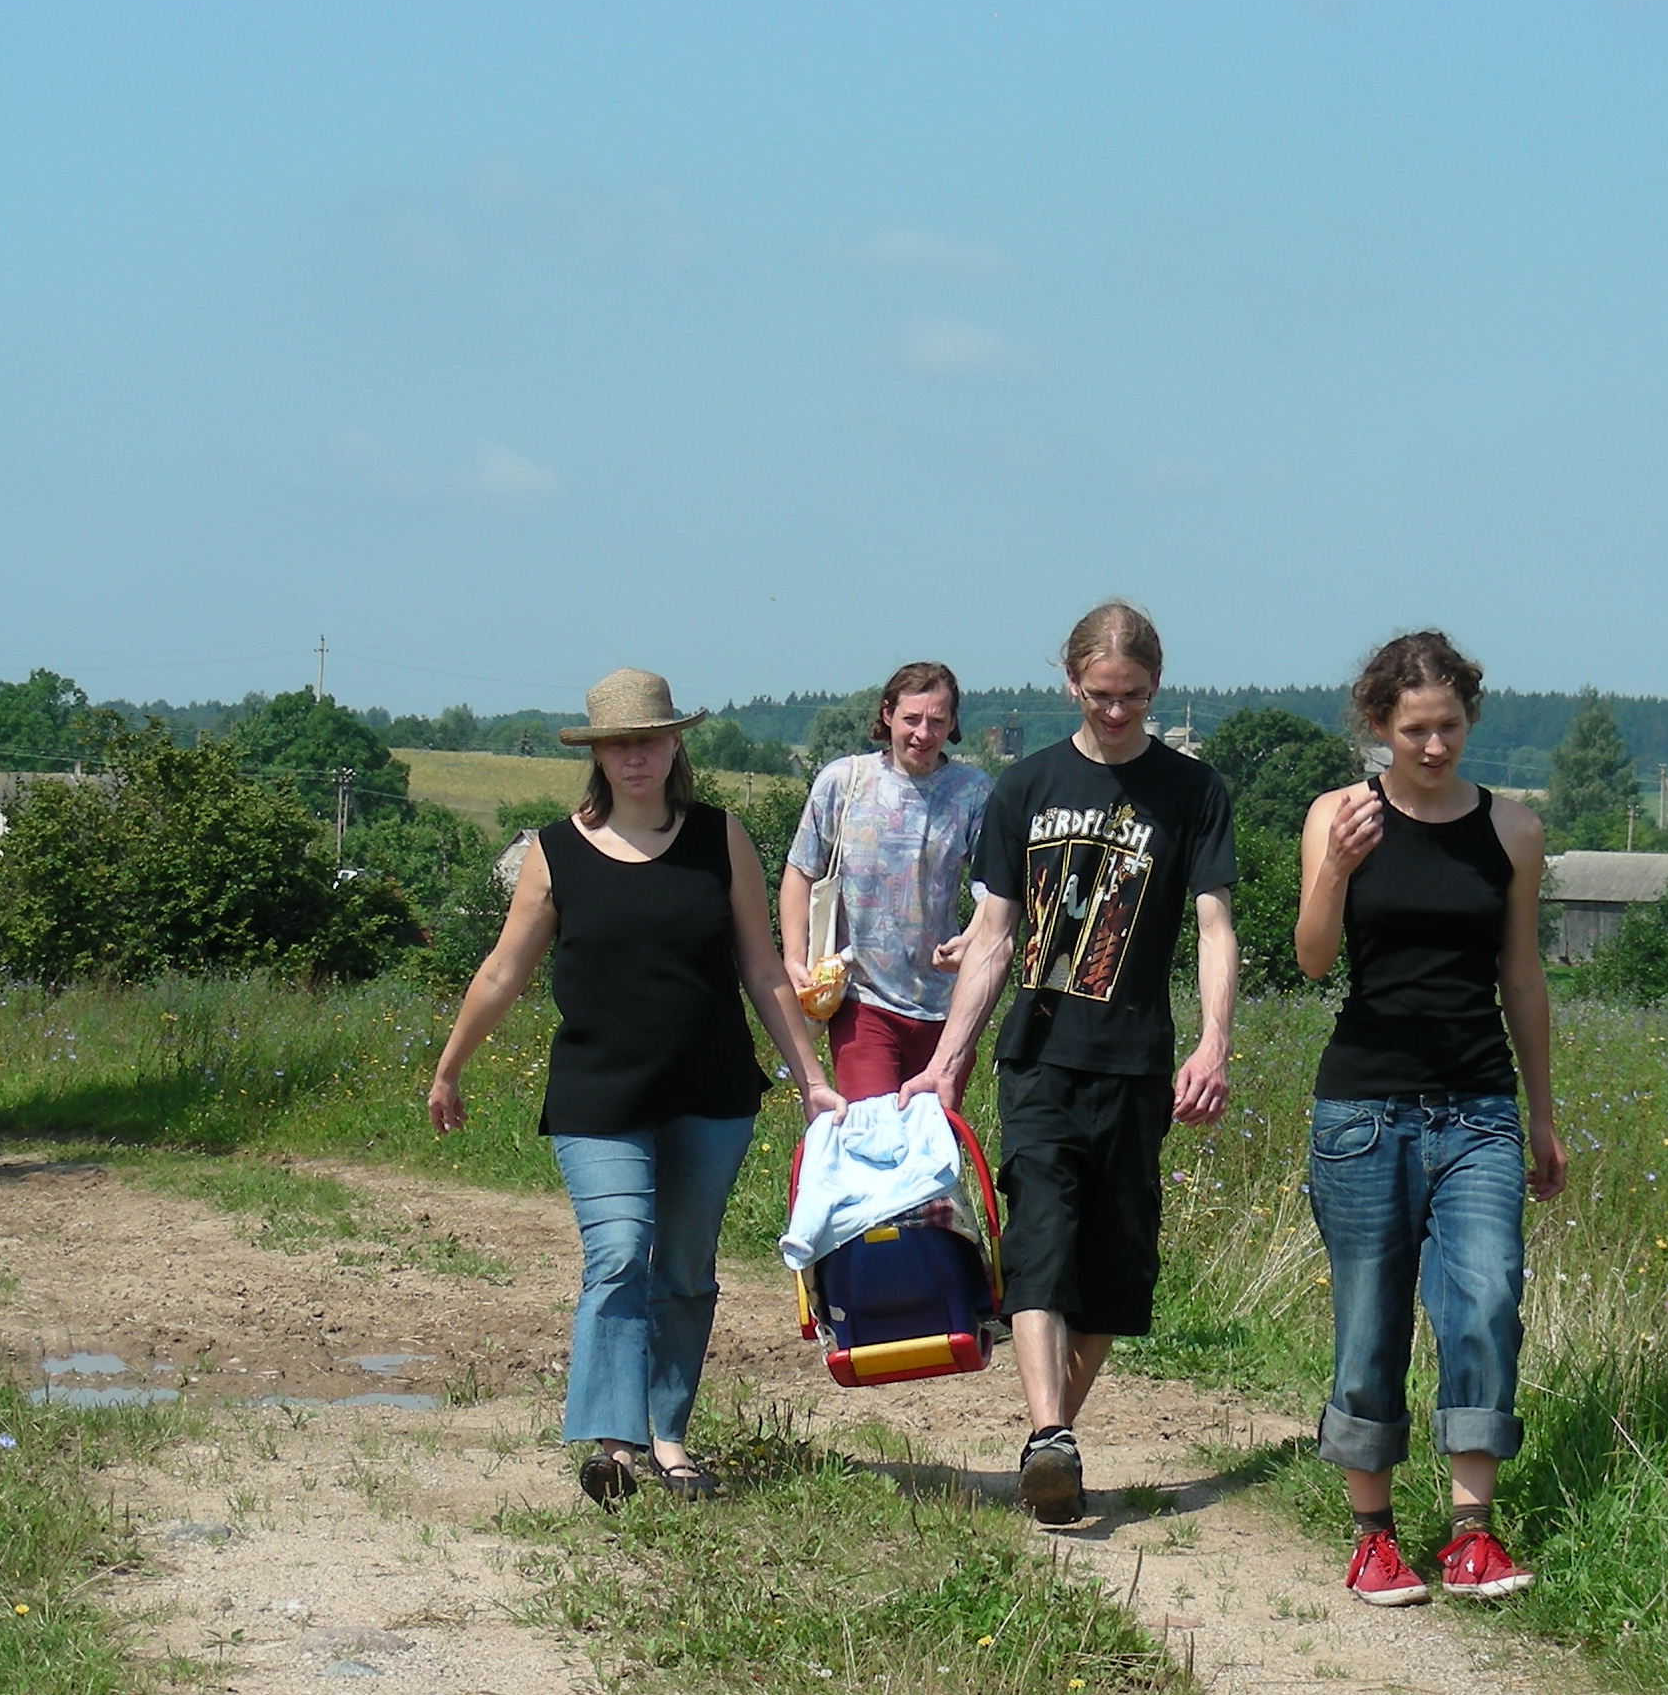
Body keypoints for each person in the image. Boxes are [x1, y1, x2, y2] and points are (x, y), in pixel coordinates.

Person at [427, 668, 842, 1505]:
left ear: (674, 744)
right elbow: (504, 970)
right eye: (618, 744)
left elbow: (763, 969)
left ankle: (668, 1436)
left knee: (684, 1270)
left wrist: (811, 1079)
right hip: (599, 1095)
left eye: (648, 740)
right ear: (597, 755)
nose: (635, 757)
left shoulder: (720, 838)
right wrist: (450, 1065)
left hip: (710, 1091)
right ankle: (613, 1446)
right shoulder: (554, 852)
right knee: (618, 1254)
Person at [904, 601, 1236, 1527]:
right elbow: (994, 933)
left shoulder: (1193, 791)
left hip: (1136, 1062)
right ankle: (1052, 1434)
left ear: (1155, 689)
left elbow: (1215, 924)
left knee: (1114, 1270)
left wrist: (1214, 1041)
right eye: (1100, 695)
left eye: (1133, 697)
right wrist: (947, 1061)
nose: (1116, 712)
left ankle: (1048, 1447)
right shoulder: (1027, 786)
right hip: (1040, 1058)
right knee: (1041, 1240)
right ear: (1071, 683)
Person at [1293, 631, 1569, 1604]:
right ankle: (1372, 1538)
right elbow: (1312, 958)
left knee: (1487, 1299)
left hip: (1479, 1108)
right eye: (1415, 729)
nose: (1435, 745)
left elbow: (1522, 976)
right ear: (1380, 724)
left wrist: (1542, 1114)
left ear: (1470, 718)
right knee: (1370, 1319)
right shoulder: (1338, 815)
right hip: (1363, 1112)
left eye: (1449, 725)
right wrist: (1335, 867)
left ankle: (1470, 1535)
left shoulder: (1512, 832)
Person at [779, 662, 995, 1102]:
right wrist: (794, 956)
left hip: (946, 1006)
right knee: (875, 1130)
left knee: (932, 1139)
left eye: (937, 721)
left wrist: (972, 938)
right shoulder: (844, 782)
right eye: (911, 719)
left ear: (953, 723)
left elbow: (995, 889)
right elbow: (801, 871)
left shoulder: (972, 792)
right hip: (863, 998)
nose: (923, 733)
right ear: (887, 715)